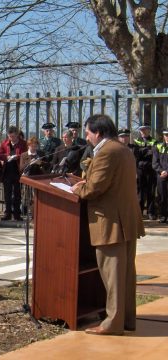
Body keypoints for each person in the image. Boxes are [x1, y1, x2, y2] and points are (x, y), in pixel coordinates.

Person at [71, 114, 144, 336]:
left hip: (110, 221)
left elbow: (95, 189)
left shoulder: (106, 152)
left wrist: (78, 189)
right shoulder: (123, 149)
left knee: (113, 276)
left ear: (99, 133)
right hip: (126, 220)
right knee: (125, 276)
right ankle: (126, 319)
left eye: (88, 133)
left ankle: (112, 323)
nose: (87, 137)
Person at [0, 126, 27, 221]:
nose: (12, 138)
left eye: (13, 136)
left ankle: (17, 213)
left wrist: (17, 157)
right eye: (10, 136)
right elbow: (0, 154)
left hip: (18, 170)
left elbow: (25, 154)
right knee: (7, 193)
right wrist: (7, 157)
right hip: (7, 171)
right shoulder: (4, 143)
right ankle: (8, 213)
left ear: (17, 135)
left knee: (17, 193)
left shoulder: (23, 143)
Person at [134, 125, 158, 220]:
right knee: (140, 192)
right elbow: (136, 154)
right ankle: (139, 212)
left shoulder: (154, 141)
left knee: (151, 191)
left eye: (145, 130)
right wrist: (146, 151)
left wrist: (142, 151)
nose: (143, 131)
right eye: (141, 130)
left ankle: (151, 212)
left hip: (151, 169)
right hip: (140, 169)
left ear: (149, 130)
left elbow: (154, 154)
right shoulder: (136, 141)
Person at [152, 129, 168, 223]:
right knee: (161, 196)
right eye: (166, 135)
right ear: (163, 136)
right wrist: (162, 171)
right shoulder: (158, 146)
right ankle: (162, 215)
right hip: (161, 175)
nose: (167, 137)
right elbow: (154, 163)